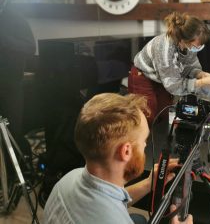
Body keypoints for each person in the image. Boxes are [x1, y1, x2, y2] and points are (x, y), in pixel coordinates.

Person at [44, 93, 193, 224]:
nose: (145, 144)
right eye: (143, 140)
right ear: (126, 151)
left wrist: (148, 184)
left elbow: (111, 202)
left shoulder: (69, 179)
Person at [129, 12, 210, 124]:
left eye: (201, 46)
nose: (199, 48)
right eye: (197, 46)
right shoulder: (164, 48)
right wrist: (200, 83)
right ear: (184, 40)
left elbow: (189, 66)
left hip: (162, 77)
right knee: (146, 117)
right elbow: (174, 86)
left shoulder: (189, 46)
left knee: (163, 114)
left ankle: (160, 141)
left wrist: (200, 74)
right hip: (142, 76)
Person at [0, 0, 36, 157]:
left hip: (10, 85)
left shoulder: (14, 16)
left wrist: (5, 41)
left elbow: (30, 47)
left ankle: (20, 170)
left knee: (13, 130)